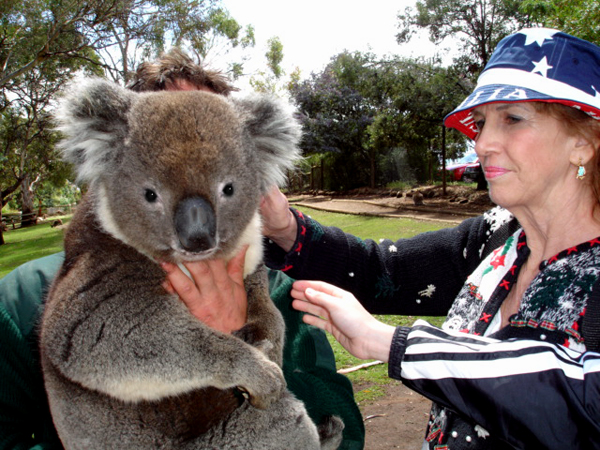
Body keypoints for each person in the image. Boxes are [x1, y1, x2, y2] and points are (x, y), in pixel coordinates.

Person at [0, 49, 364, 449]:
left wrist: (244, 332)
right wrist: (229, 354)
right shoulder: (25, 297)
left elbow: (345, 426)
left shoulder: (283, 292)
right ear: (113, 162)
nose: (196, 234)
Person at [259, 28, 600, 449]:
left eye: (512, 118)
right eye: (480, 124)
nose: (483, 143)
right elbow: (383, 271)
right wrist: (285, 228)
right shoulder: (497, 239)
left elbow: (577, 395)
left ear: (583, 141)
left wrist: (393, 344)